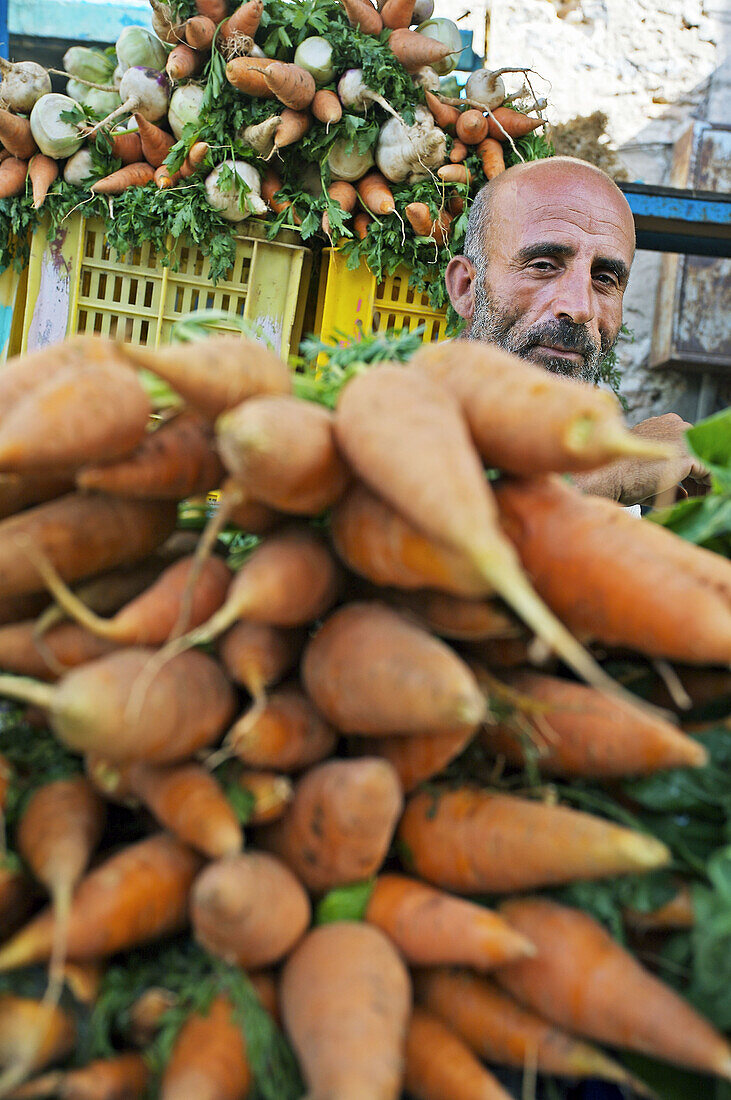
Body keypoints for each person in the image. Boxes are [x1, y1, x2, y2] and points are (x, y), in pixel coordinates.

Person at [444, 156, 709, 506]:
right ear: (466, 288)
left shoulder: (600, 457)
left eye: (604, 278)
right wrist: (606, 476)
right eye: (542, 266)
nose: (580, 307)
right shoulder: (386, 403)